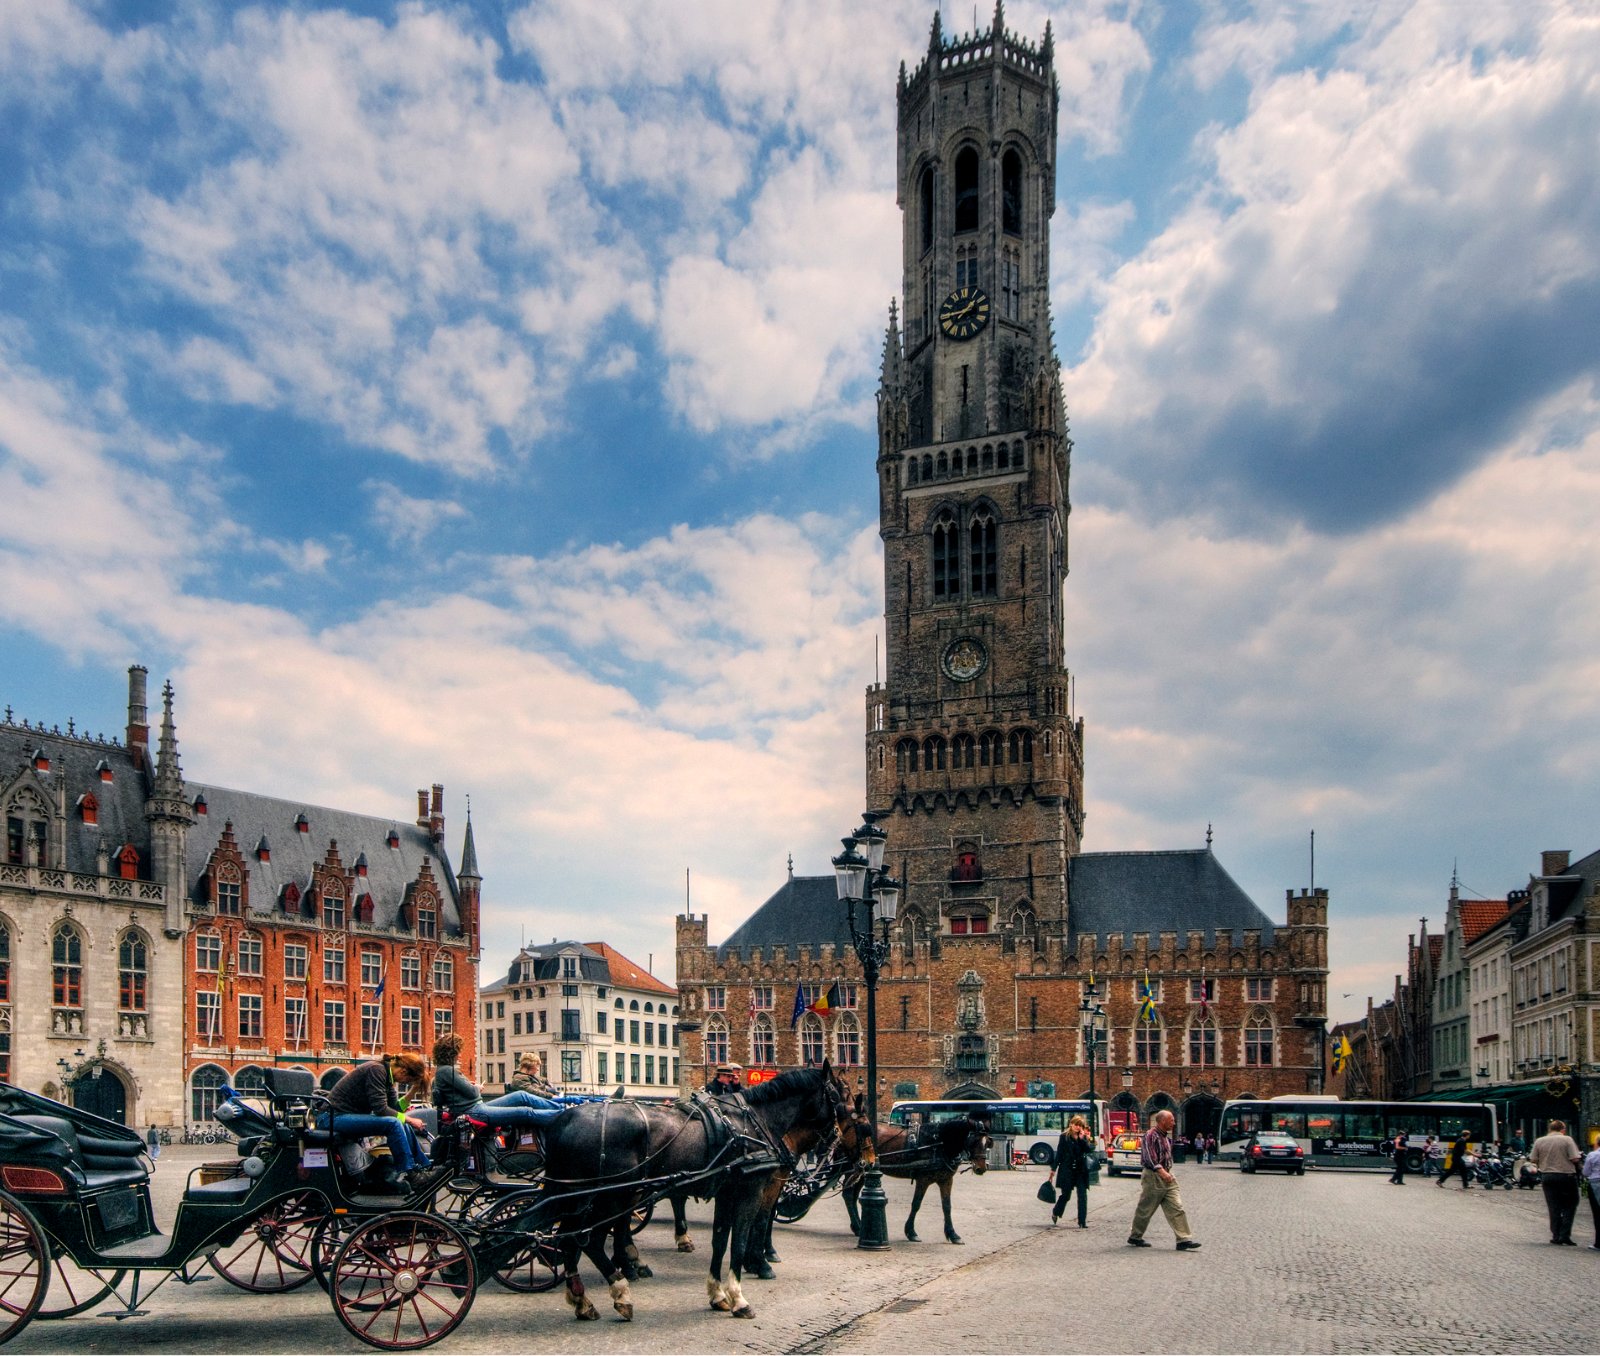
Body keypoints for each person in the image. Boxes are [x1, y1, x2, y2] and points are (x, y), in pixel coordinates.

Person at [325, 1053, 434, 1189]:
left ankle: (424, 1167)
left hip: (343, 1116)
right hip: (333, 1117)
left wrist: (413, 1091)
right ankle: (411, 1174)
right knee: (394, 1123)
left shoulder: (387, 1077)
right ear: (403, 1071)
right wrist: (410, 1120)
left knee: (399, 1122)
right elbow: (381, 1109)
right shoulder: (376, 1070)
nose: (403, 1083)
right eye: (407, 1081)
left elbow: (394, 1109)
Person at [430, 1034, 564, 1130]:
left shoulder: (444, 1071)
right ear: (451, 1053)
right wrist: (476, 1087)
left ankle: (558, 1108)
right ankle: (563, 1115)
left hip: (476, 1108)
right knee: (524, 1112)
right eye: (458, 1052)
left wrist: (472, 1087)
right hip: (474, 1112)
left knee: (520, 1096)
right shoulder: (448, 1071)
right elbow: (471, 1093)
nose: (460, 1055)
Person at [1127, 1110, 1200, 1251]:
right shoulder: (1150, 1135)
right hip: (1154, 1175)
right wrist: (1161, 1171)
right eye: (1171, 1120)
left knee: (1176, 1207)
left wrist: (1168, 1172)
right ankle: (1135, 1236)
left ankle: (1183, 1239)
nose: (1174, 1122)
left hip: (1167, 1174)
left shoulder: (1166, 1138)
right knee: (1146, 1208)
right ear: (1162, 1121)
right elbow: (1149, 1156)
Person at [1528, 1119, 1583, 1245]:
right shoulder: (1567, 1139)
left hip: (1547, 1176)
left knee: (1553, 1206)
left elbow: (1533, 1159)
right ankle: (1565, 1234)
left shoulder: (1539, 1141)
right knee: (1570, 1204)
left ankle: (1556, 1234)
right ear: (1562, 1129)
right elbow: (1574, 1158)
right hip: (1566, 1175)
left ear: (1550, 1129)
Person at [1050, 1114, 1096, 1228]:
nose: (1077, 1127)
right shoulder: (1064, 1137)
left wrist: (1082, 1139)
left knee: (1082, 1195)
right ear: (1071, 1124)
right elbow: (1059, 1153)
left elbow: (1089, 1150)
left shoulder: (1083, 1138)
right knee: (1066, 1195)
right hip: (1067, 1170)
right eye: (1076, 1124)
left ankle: (1082, 1222)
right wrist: (1053, 1169)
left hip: (1080, 1170)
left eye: (1080, 1125)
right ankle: (1056, 1212)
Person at [1581, 1139, 1600, 1250]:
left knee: (1597, 1213)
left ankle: (1598, 1242)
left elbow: (1586, 1172)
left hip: (1596, 1184)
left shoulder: (1593, 1155)